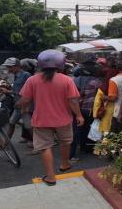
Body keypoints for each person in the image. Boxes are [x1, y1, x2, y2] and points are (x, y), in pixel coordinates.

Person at [17, 50, 84, 186]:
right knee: (65, 142)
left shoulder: (32, 80)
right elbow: (73, 100)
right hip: (63, 120)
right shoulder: (67, 80)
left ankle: (51, 176)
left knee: (45, 147)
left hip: (41, 120)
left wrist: (19, 106)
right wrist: (79, 115)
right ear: (61, 64)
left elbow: (24, 99)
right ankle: (65, 164)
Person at [72, 58, 102, 156]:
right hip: (90, 108)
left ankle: (80, 145)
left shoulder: (74, 80)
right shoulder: (97, 81)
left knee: (78, 128)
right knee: (90, 127)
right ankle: (89, 147)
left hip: (76, 108)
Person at [2, 58, 32, 142]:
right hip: (18, 105)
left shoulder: (26, 75)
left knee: (28, 126)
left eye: (10, 67)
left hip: (25, 105)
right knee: (12, 122)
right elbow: (18, 89)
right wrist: (9, 88)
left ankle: (38, 146)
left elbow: (29, 90)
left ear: (17, 67)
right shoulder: (16, 75)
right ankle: (6, 144)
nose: (8, 69)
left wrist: (8, 91)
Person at [93, 64, 119, 135]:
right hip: (119, 113)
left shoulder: (102, 88)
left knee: (106, 134)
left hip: (107, 113)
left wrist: (95, 115)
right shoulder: (120, 85)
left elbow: (97, 103)